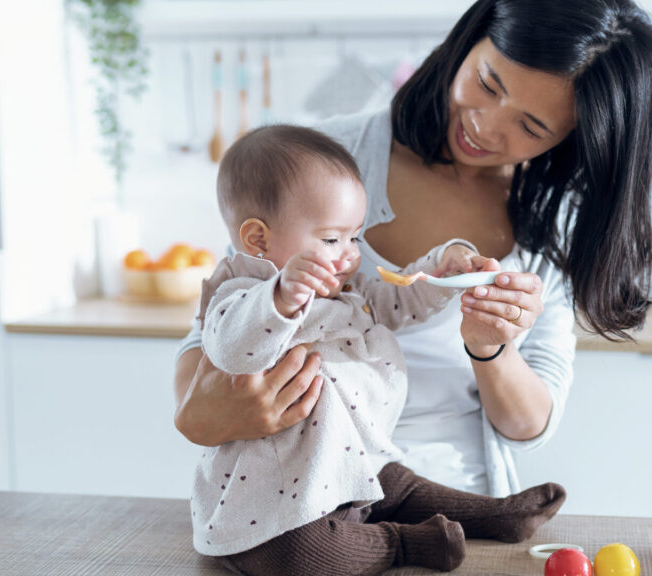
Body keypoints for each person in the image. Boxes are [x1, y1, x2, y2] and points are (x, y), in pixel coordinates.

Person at [174, 0, 652, 499]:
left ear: (572, 138)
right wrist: (212, 415)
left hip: (458, 502)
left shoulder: (555, 227)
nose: (485, 125)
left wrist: (492, 347)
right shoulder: (321, 163)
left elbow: (530, 427)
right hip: (304, 493)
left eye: (531, 127)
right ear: (469, 41)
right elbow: (210, 339)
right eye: (487, 83)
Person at [193, 124, 566, 575]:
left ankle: (493, 514)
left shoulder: (344, 291)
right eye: (332, 239)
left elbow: (400, 301)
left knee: (398, 485)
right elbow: (231, 349)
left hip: (351, 459)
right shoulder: (239, 295)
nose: (351, 254)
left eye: (355, 238)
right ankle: (402, 544)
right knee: (303, 556)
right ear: (258, 240)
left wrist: (440, 269)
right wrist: (280, 297)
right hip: (276, 503)